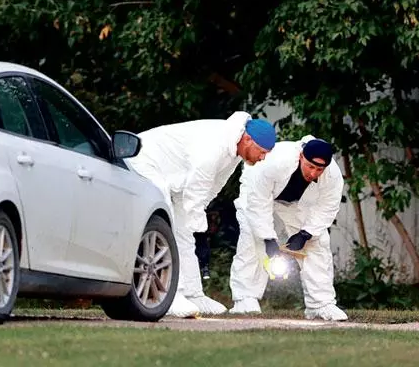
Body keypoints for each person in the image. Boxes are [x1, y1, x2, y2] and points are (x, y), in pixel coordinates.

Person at [127, 111, 276, 317]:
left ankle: (193, 294)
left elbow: (211, 188)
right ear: (247, 140)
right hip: (145, 161)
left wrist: (197, 226)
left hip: (176, 179)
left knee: (185, 231)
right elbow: (196, 189)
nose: (263, 158)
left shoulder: (233, 151)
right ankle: (170, 295)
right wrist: (199, 230)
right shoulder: (215, 146)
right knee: (167, 225)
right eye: (262, 151)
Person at [228, 135, 348, 321]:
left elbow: (327, 207)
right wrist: (268, 238)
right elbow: (258, 203)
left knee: (317, 242)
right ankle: (245, 299)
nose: (314, 173)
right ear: (301, 156)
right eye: (310, 167)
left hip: (293, 203)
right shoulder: (274, 162)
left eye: (319, 169)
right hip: (257, 192)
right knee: (252, 239)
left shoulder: (332, 175)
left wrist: (305, 233)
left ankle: (320, 304)